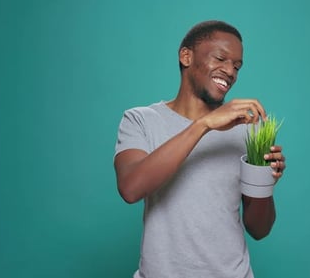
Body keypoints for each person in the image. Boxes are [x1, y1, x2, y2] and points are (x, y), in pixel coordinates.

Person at [114, 20, 286, 278]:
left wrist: (265, 183)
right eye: (221, 58)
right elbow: (130, 188)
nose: (230, 71)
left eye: (237, 66)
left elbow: (259, 230)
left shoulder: (247, 132)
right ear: (186, 56)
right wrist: (204, 124)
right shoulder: (140, 120)